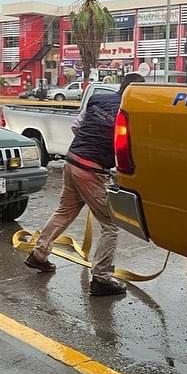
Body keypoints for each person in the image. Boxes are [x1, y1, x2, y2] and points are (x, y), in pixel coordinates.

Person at [25, 72, 146, 296]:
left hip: (72, 161)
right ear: (136, 92)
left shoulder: (99, 99)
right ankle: (101, 278)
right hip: (92, 170)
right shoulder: (132, 113)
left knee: (64, 212)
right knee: (111, 225)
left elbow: (76, 127)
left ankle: (39, 255)